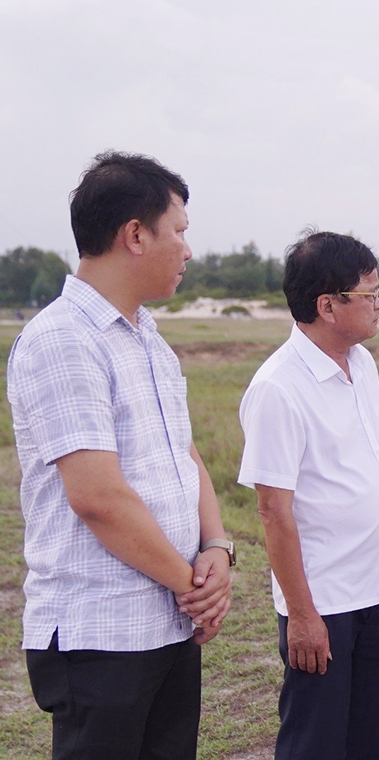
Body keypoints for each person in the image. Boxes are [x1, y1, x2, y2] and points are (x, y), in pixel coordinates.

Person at [7, 151, 233, 759]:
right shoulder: (62, 339)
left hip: (165, 622)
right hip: (100, 631)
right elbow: (97, 497)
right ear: (135, 235)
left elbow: (183, 455)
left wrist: (216, 547)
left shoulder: (148, 338)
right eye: (179, 232)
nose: (188, 250)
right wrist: (193, 585)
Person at [238, 230, 379, 760]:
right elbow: (274, 511)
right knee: (315, 741)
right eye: (369, 294)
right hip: (325, 601)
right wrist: (303, 614)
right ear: (328, 306)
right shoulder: (278, 388)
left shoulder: (362, 365)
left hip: (377, 590)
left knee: (370, 735)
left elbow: (372, 469)